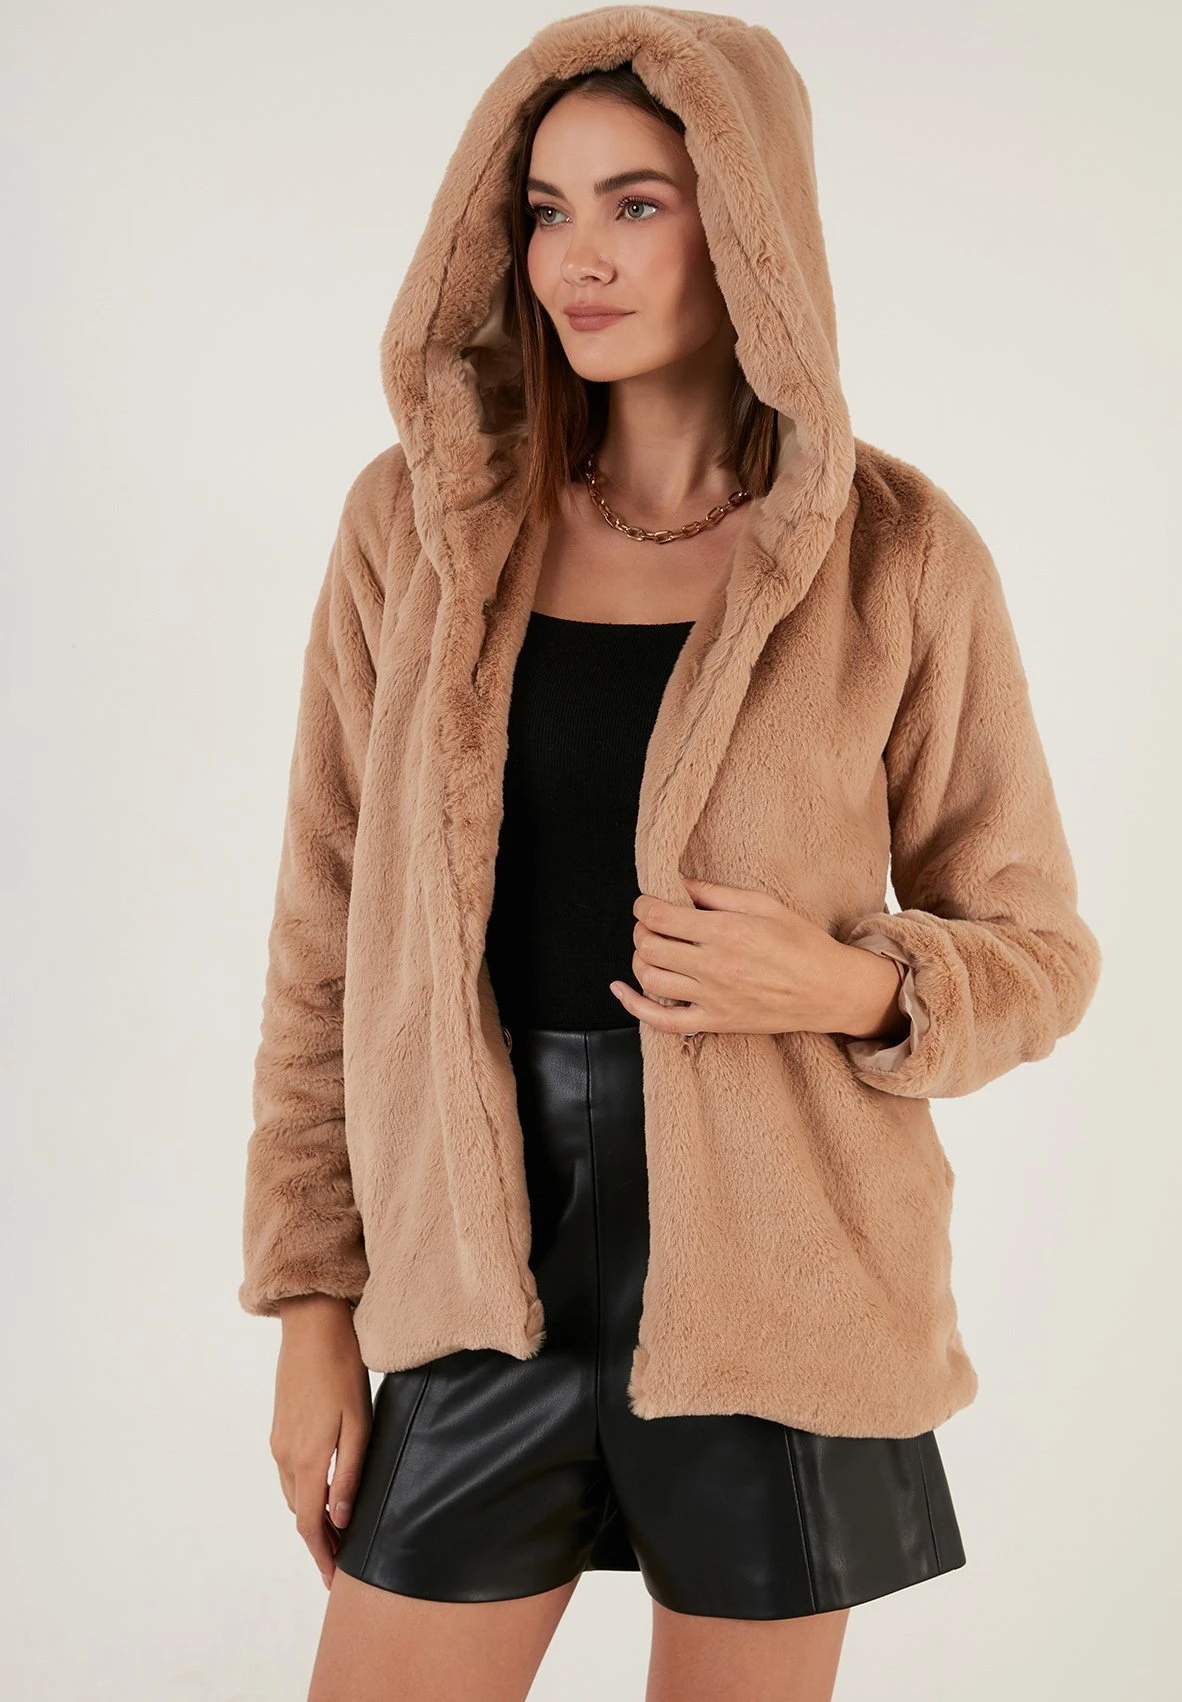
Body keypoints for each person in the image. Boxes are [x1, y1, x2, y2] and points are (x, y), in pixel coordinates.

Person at [238, 11, 1102, 1701]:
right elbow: (323, 937)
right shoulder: (412, 528)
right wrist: (311, 1310)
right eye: (545, 210)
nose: (580, 257)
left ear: (749, 220)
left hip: (780, 1285)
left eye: (637, 203)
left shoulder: (898, 555)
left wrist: (850, 982)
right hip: (477, 1273)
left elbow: (1040, 948)